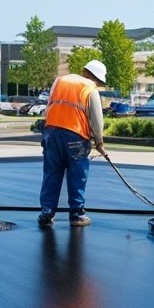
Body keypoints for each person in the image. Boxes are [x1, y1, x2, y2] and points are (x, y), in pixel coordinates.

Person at [38, 60, 108, 228]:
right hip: (75, 136)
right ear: (94, 76)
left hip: (52, 133)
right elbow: (96, 119)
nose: (97, 83)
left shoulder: (59, 81)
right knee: (77, 174)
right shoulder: (90, 88)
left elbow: (49, 106)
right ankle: (77, 214)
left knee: (52, 173)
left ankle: (47, 213)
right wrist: (99, 141)